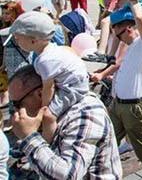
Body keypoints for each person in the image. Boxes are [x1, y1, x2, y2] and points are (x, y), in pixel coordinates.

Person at [9, 65, 122, 178]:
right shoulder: (50, 112)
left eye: (17, 104)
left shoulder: (86, 112)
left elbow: (68, 175)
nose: (15, 112)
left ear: (40, 94)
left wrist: (30, 138)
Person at [9, 11, 89, 143]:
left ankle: (47, 142)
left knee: (48, 116)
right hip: (74, 82)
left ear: (33, 40)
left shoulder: (45, 60)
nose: (16, 41)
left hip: (74, 88)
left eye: (18, 38)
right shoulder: (51, 50)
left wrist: (44, 107)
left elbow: (48, 87)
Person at [107, 1, 142, 177]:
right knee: (106, 141)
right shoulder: (132, 47)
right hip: (119, 105)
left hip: (134, 107)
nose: (118, 39)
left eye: (119, 35)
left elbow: (139, 18)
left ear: (129, 29)